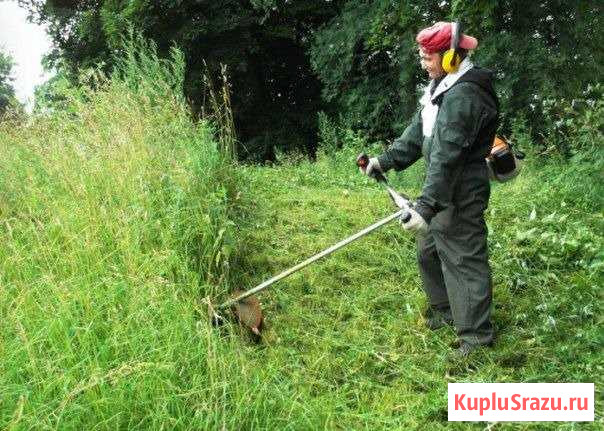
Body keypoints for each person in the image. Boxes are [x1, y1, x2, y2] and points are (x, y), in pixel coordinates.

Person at [360, 21, 499, 357]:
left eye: (428, 57)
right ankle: (447, 312)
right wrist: (384, 161)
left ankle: (476, 340)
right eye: (421, 57)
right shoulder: (442, 88)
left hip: (461, 187)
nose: (423, 63)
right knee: (429, 250)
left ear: (451, 57)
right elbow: (419, 134)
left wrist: (426, 206)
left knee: (462, 257)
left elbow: (449, 156)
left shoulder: (465, 95)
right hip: (443, 184)